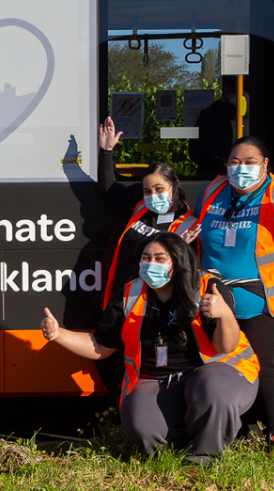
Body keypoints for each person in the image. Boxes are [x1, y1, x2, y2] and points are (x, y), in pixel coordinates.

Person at [41, 232, 259, 464]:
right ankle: (180, 450)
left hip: (218, 372)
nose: (150, 264)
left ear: (177, 261)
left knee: (211, 388)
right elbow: (101, 347)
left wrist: (224, 314)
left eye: (159, 258)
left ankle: (204, 457)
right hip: (157, 380)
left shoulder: (207, 286)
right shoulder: (128, 294)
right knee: (140, 426)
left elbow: (226, 346)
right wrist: (58, 334)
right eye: (145, 258)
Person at [193, 135, 274, 447]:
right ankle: (235, 430)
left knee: (259, 362)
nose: (241, 168)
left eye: (250, 162)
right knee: (220, 363)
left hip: (268, 299)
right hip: (216, 298)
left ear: (265, 164)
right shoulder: (214, 190)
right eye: (234, 162)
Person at [96, 116, 201, 402]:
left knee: (145, 359)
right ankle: (126, 413)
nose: (152, 195)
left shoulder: (189, 224)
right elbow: (108, 189)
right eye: (146, 190)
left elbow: (190, 274)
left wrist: (183, 248)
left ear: (174, 187)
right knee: (105, 355)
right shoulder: (140, 209)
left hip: (153, 303)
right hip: (124, 296)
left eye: (158, 189)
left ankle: (148, 416)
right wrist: (107, 152)